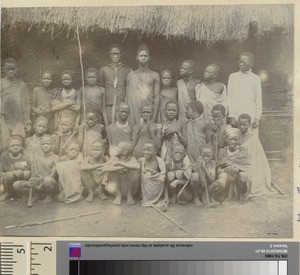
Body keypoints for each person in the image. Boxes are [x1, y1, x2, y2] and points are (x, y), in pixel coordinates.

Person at [237, 113, 278, 197]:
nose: (241, 127)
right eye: (240, 124)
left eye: (244, 124)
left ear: (249, 124)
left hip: (250, 164)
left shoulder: (253, 138)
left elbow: (257, 157)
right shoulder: (235, 136)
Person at [13, 134, 59, 204]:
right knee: (16, 185)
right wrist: (33, 180)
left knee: (48, 180)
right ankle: (37, 195)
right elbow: (34, 173)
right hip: (38, 182)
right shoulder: (36, 157)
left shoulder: (56, 157)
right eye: (43, 144)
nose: (45, 146)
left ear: (52, 145)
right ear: (40, 145)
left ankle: (48, 196)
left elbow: (52, 175)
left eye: (48, 144)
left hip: (49, 183)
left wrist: (41, 179)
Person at [210, 127, 251, 204]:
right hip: (226, 173)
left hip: (237, 173)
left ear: (238, 140)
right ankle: (221, 196)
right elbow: (219, 168)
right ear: (226, 140)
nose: (233, 142)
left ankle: (241, 194)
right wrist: (224, 170)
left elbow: (246, 165)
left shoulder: (243, 150)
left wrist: (237, 169)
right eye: (231, 139)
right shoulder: (222, 151)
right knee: (223, 177)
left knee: (243, 175)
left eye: (235, 139)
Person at [1, 58, 31, 149]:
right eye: (8, 69)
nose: (10, 71)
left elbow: (26, 104)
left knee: (18, 142)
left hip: (18, 119)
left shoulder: (22, 85)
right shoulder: (1, 83)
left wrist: (27, 121)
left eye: (12, 69)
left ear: (17, 69)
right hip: (3, 118)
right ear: (3, 69)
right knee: (5, 143)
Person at [126, 44, 160, 124]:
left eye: (145, 56)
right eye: (141, 56)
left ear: (149, 58)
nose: (143, 58)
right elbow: (127, 98)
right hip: (133, 110)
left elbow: (156, 97)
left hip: (148, 110)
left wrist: (154, 116)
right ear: (137, 58)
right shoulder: (130, 75)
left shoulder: (154, 75)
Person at [227, 52, 262, 129]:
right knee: (235, 138)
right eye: (240, 61)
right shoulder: (233, 77)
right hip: (236, 115)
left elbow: (258, 100)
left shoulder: (256, 78)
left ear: (251, 64)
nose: (240, 64)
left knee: (251, 139)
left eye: (243, 62)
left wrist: (257, 117)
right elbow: (229, 98)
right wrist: (231, 115)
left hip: (251, 115)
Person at [99, 44, 131, 126]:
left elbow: (129, 88)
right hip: (108, 103)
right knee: (109, 124)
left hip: (121, 103)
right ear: (109, 55)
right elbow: (101, 88)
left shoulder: (127, 70)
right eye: (113, 54)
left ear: (121, 54)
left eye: (117, 54)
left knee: (121, 125)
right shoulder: (104, 70)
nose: (115, 56)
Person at [101, 141, 140, 205]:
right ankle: (118, 196)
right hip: (115, 189)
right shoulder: (114, 158)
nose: (116, 148)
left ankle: (129, 195)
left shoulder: (132, 159)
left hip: (129, 188)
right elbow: (104, 168)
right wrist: (119, 168)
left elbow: (137, 166)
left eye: (118, 147)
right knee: (113, 170)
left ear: (125, 152)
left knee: (134, 171)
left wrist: (120, 163)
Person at [0, 136, 31, 201]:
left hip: (20, 178)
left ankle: (18, 192)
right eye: (12, 145)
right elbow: (1, 173)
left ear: (22, 147)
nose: (15, 147)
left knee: (27, 173)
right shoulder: (4, 156)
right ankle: (8, 193)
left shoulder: (25, 155)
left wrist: (22, 168)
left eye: (18, 145)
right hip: (8, 179)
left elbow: (30, 168)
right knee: (10, 175)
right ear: (8, 147)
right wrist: (13, 172)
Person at [139, 140, 166, 207]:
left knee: (161, 179)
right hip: (145, 186)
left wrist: (155, 173)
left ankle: (157, 198)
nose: (146, 152)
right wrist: (144, 172)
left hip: (156, 185)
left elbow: (163, 174)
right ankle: (145, 198)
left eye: (149, 150)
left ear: (155, 151)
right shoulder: (141, 161)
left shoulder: (159, 161)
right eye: (144, 150)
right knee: (144, 175)